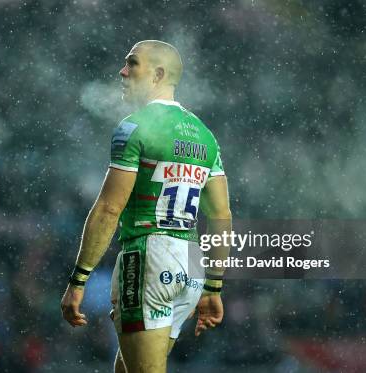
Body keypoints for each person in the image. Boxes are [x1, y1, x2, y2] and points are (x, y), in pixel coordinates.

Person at [61, 40, 232, 372]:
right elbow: (221, 216)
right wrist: (213, 286)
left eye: (132, 64)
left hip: (149, 256)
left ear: (157, 74)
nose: (122, 72)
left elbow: (109, 208)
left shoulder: (135, 126)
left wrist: (78, 280)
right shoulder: (204, 135)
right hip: (192, 264)